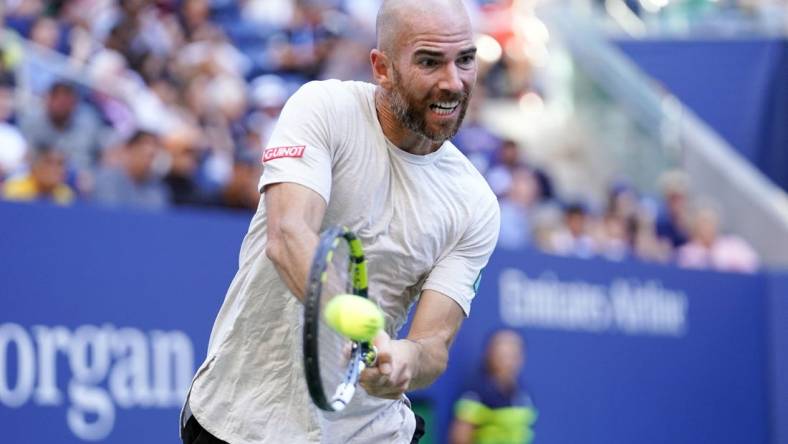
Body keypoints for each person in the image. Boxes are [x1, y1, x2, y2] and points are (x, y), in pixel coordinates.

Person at [180, 0, 500, 443]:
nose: (453, 82)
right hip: (239, 419)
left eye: (465, 59)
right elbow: (289, 237)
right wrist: (353, 320)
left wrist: (407, 359)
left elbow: (434, 346)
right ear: (382, 68)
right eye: (430, 62)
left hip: (373, 432)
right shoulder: (323, 107)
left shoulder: (476, 204)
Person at [449, 329, 537, 444]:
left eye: (513, 355)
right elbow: (459, 438)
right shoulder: (475, 392)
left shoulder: (524, 394)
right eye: (503, 355)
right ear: (490, 354)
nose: (509, 362)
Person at [92, 130, 171, 210]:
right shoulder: (107, 180)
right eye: (146, 155)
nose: (149, 162)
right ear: (130, 150)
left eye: (153, 156)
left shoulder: (158, 188)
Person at [2, 144, 75, 205]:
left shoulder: (66, 195)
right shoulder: (14, 191)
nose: (54, 169)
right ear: (33, 167)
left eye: (60, 164)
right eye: (48, 162)